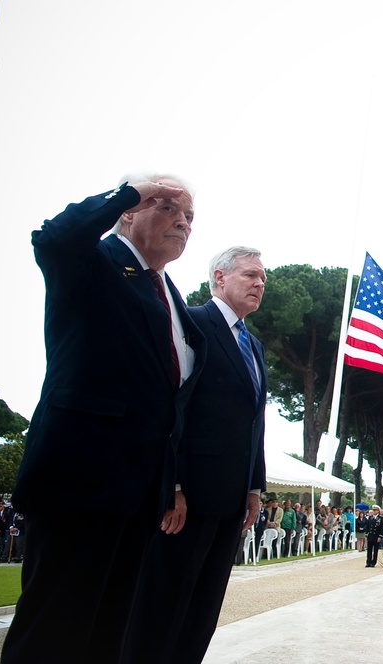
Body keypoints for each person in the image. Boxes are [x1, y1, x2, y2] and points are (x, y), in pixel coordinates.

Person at [1, 175, 205, 663]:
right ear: (129, 212)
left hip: (139, 496)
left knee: (107, 636)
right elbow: (53, 238)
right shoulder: (95, 263)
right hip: (81, 482)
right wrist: (128, 191)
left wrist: (172, 482)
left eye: (190, 216)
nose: (181, 220)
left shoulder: (171, 296)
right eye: (166, 206)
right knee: (52, 634)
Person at [122, 247, 269, 662]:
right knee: (163, 607)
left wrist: (255, 486)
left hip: (232, 501)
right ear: (219, 278)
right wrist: (175, 484)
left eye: (263, 278)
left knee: (202, 609)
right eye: (250, 275)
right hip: (189, 501)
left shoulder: (253, 346)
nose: (260, 283)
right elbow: (174, 406)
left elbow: (254, 423)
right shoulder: (191, 323)